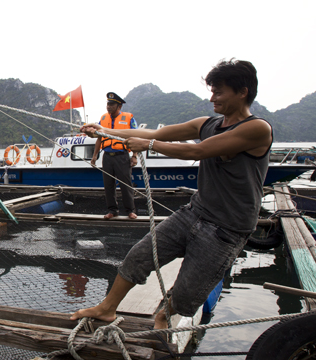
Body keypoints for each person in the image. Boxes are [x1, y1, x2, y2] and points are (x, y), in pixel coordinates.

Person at [73, 59, 272, 330]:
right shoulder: (207, 123)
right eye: (211, 90)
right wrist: (105, 131)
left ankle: (164, 315)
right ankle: (107, 308)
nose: (212, 97)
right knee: (138, 256)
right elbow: (155, 132)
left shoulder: (257, 128)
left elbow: (197, 151)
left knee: (187, 297)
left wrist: (151, 145)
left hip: (228, 227)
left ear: (243, 92)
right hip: (196, 211)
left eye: (219, 92)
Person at [90, 92, 138, 220]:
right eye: (108, 104)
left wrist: (134, 156)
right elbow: (99, 139)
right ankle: (112, 210)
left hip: (122, 156)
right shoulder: (103, 119)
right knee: (108, 185)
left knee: (125, 184)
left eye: (112, 104)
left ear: (119, 106)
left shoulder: (128, 118)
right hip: (107, 156)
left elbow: (135, 137)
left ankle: (130, 211)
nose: (108, 107)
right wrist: (94, 156)